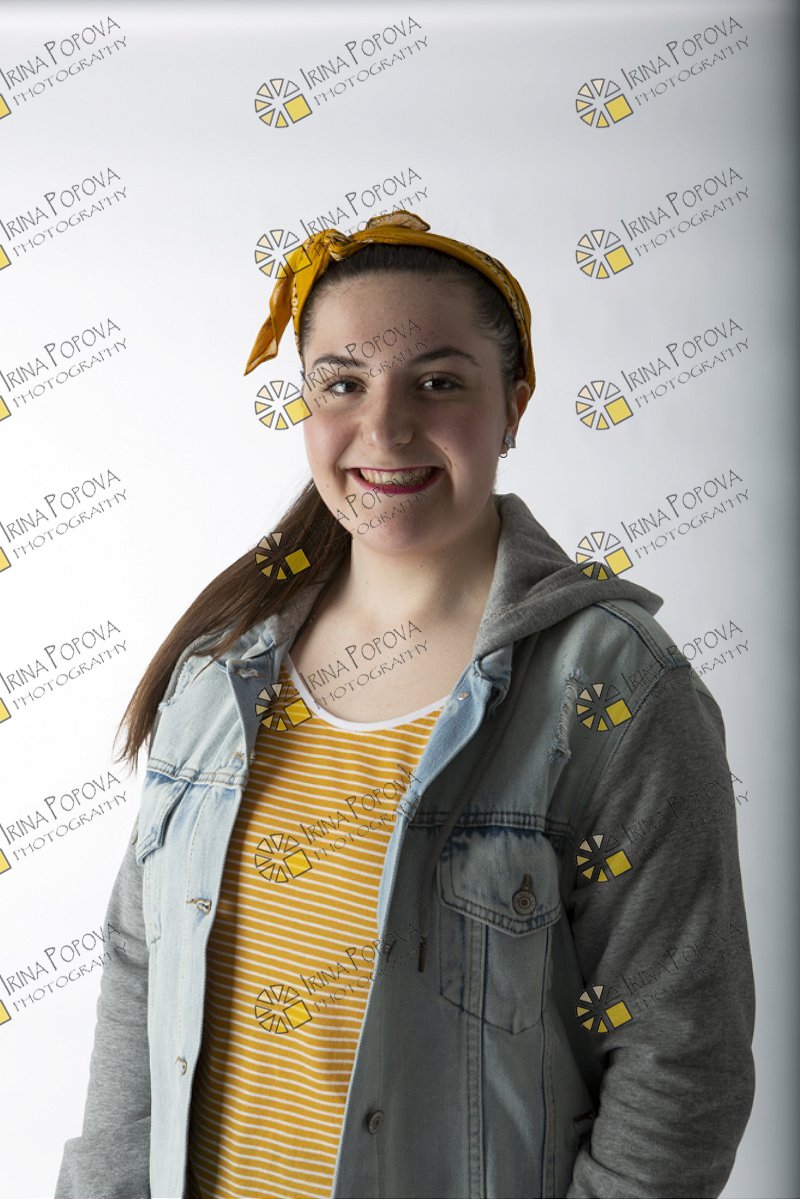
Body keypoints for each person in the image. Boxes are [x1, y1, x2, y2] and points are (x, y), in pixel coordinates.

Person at [55, 210, 755, 1199]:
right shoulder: (221, 666)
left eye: (438, 382)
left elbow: (678, 1058)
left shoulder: (614, 688)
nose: (384, 428)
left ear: (513, 405)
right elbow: (141, 970)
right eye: (343, 382)